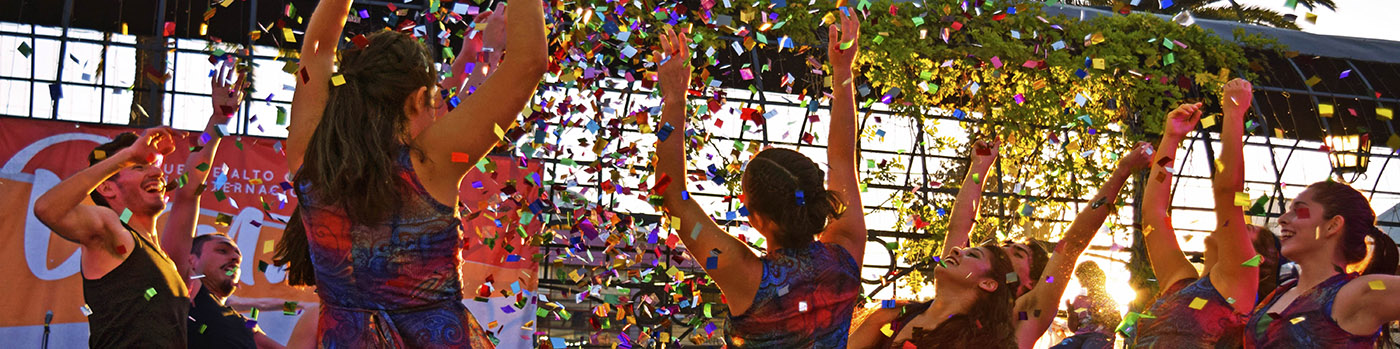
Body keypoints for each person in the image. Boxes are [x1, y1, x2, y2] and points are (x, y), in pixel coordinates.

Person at [278, 0, 546, 345]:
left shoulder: (308, 160)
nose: (438, 113)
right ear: (418, 99)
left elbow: (317, 50)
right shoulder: (432, 162)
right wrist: (492, 47)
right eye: (434, 100)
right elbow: (529, 62)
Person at [651, 13, 867, 347]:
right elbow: (842, 158)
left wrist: (676, 97)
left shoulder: (743, 274)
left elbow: (670, 196)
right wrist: (842, 71)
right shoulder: (846, 253)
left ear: (756, 220)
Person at [850, 141, 1152, 348]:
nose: (1004, 250)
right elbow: (959, 227)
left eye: (1016, 252)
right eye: (1000, 247)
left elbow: (1071, 245)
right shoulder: (901, 314)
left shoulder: (1016, 326)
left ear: (1027, 281)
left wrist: (1122, 171)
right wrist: (979, 167)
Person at [31, 58, 245, 348]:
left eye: (155, 166)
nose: (157, 171)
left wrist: (217, 123)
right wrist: (128, 155)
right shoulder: (111, 231)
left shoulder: (167, 255)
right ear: (108, 188)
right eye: (140, 168)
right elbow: (47, 208)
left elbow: (190, 188)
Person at [1131, 79, 1274, 348]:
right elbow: (1153, 215)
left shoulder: (1238, 282)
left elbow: (1228, 193)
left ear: (1257, 259)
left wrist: (1233, 112)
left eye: (1249, 231)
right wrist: (1171, 138)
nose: (1238, 227)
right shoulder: (1180, 281)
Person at [1245, 180, 1400, 348]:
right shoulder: (1284, 290)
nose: (1282, 219)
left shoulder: (1355, 293)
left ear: (1332, 225)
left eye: (1299, 211)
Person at [182, 233, 285, 348]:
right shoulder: (182, 302)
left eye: (239, 260)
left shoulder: (247, 327)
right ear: (191, 260)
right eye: (222, 250)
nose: (236, 258)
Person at [1053, 261, 1120, 349]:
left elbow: (1118, 324)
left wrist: (1103, 318)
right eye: (1080, 279)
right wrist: (1071, 314)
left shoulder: (1107, 300)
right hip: (1081, 336)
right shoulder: (1079, 300)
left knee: (1089, 346)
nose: (1082, 283)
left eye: (1084, 278)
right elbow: (1074, 329)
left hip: (1101, 336)